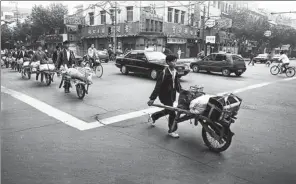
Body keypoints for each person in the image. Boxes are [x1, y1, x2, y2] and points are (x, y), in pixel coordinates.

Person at [147, 54, 182, 138]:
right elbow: (158, 86)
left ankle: (153, 116)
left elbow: (177, 84)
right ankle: (171, 130)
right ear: (168, 62)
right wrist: (152, 99)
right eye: (173, 61)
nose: (175, 63)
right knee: (172, 112)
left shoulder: (175, 71)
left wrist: (182, 92)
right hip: (164, 95)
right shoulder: (164, 73)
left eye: (175, 61)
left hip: (172, 95)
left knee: (168, 110)